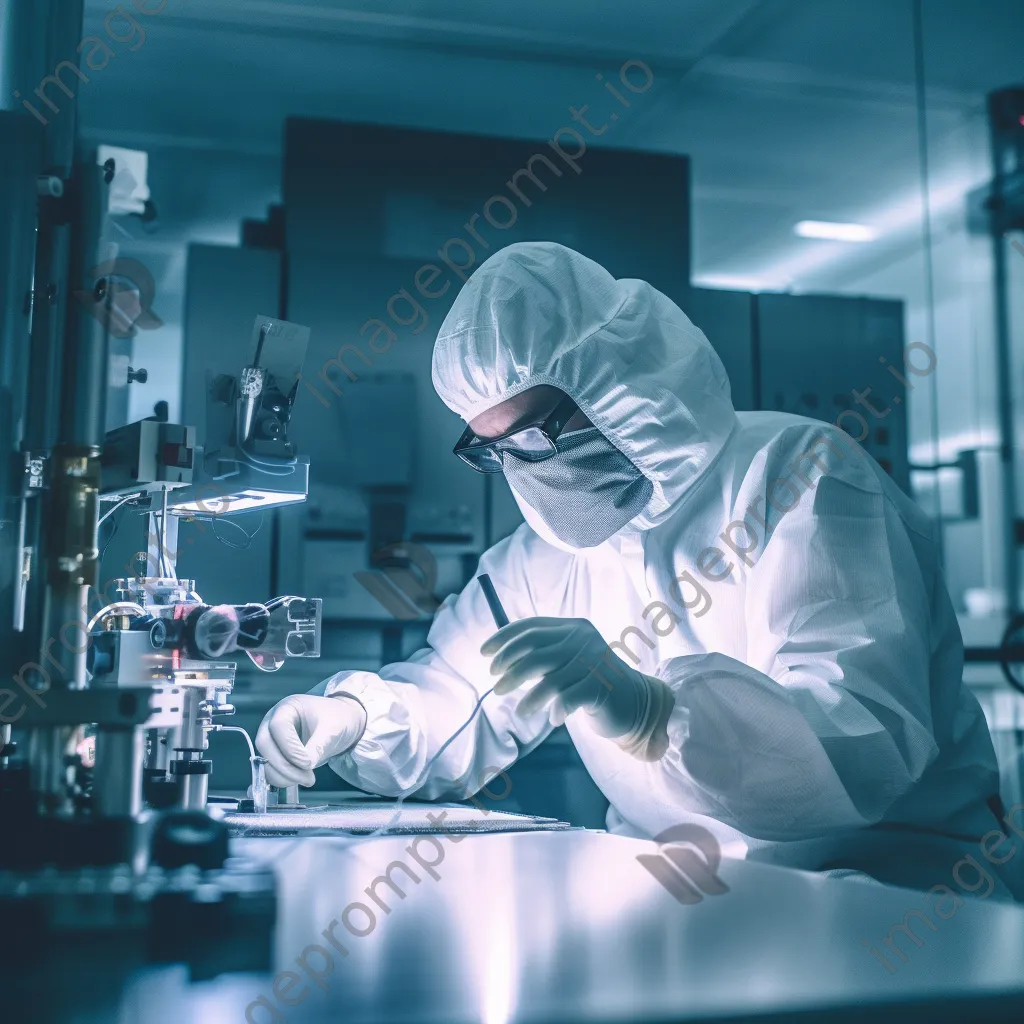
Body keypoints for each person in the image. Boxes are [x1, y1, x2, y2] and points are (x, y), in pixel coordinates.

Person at [257, 241, 1022, 897]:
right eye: (495, 452)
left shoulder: (801, 479)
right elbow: (458, 695)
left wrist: (660, 715)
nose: (527, 474)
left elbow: (865, 746)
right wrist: (353, 719)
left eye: (532, 435)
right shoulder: (544, 559)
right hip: (682, 890)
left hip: (890, 887)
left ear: (616, 384)